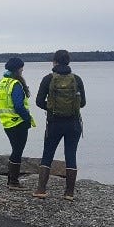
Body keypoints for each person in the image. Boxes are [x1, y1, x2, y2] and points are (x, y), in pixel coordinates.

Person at [33, 50, 86, 200]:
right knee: (71, 155)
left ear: (54, 62)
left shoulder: (48, 79)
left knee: (47, 154)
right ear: (68, 62)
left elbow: (38, 102)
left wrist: (50, 107)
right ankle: (69, 193)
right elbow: (82, 103)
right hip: (74, 123)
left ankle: (41, 190)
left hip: (54, 122)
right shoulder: (77, 79)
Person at [0, 57, 35, 191]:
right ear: (18, 69)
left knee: (15, 150)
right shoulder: (15, 84)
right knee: (18, 151)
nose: (23, 69)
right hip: (18, 122)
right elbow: (19, 105)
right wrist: (27, 118)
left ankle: (11, 179)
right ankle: (13, 181)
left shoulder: (3, 81)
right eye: (22, 67)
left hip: (6, 122)